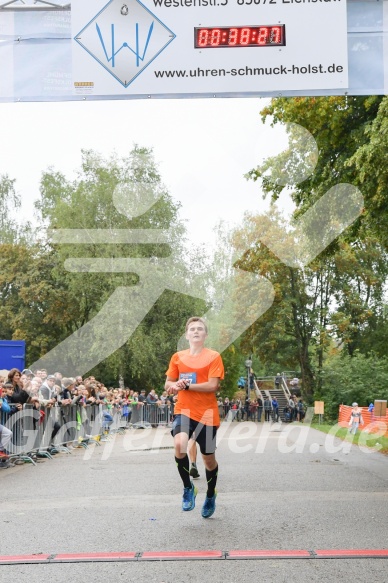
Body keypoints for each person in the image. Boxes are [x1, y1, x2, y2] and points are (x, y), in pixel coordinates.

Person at [165, 316, 224, 519]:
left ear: (205, 335)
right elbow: (168, 385)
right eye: (192, 329)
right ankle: (188, 488)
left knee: (209, 460)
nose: (196, 331)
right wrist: (174, 387)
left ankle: (210, 494)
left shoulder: (214, 356)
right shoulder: (177, 357)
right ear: (187, 334)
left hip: (207, 415)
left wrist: (188, 385)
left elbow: (213, 386)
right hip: (184, 410)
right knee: (180, 444)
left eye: (200, 329)